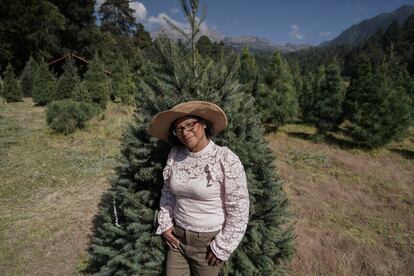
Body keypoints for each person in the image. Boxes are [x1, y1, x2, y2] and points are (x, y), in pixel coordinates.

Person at [148, 101, 249, 276]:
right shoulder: (175, 156)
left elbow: (239, 207)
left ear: (203, 123)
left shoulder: (225, 158)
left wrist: (223, 246)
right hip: (177, 241)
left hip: (208, 244)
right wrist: (165, 224)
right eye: (179, 129)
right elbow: (167, 193)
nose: (185, 132)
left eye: (190, 124)